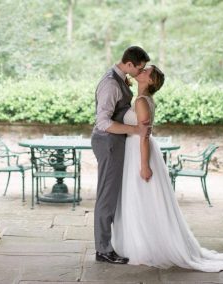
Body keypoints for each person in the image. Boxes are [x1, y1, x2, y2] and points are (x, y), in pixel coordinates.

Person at [111, 65, 223, 272]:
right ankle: (140, 243)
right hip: (134, 150)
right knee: (137, 199)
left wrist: (144, 165)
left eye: (147, 72)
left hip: (140, 152)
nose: (142, 72)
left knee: (143, 198)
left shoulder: (142, 101)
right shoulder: (141, 99)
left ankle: (149, 248)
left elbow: (143, 135)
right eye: (142, 69)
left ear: (152, 81)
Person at [91, 46, 151, 264]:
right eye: (139, 68)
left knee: (113, 195)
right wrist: (135, 130)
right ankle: (103, 250)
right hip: (107, 143)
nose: (139, 72)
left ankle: (111, 244)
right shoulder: (110, 84)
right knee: (106, 196)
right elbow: (103, 122)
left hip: (115, 143)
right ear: (128, 64)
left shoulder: (120, 78)